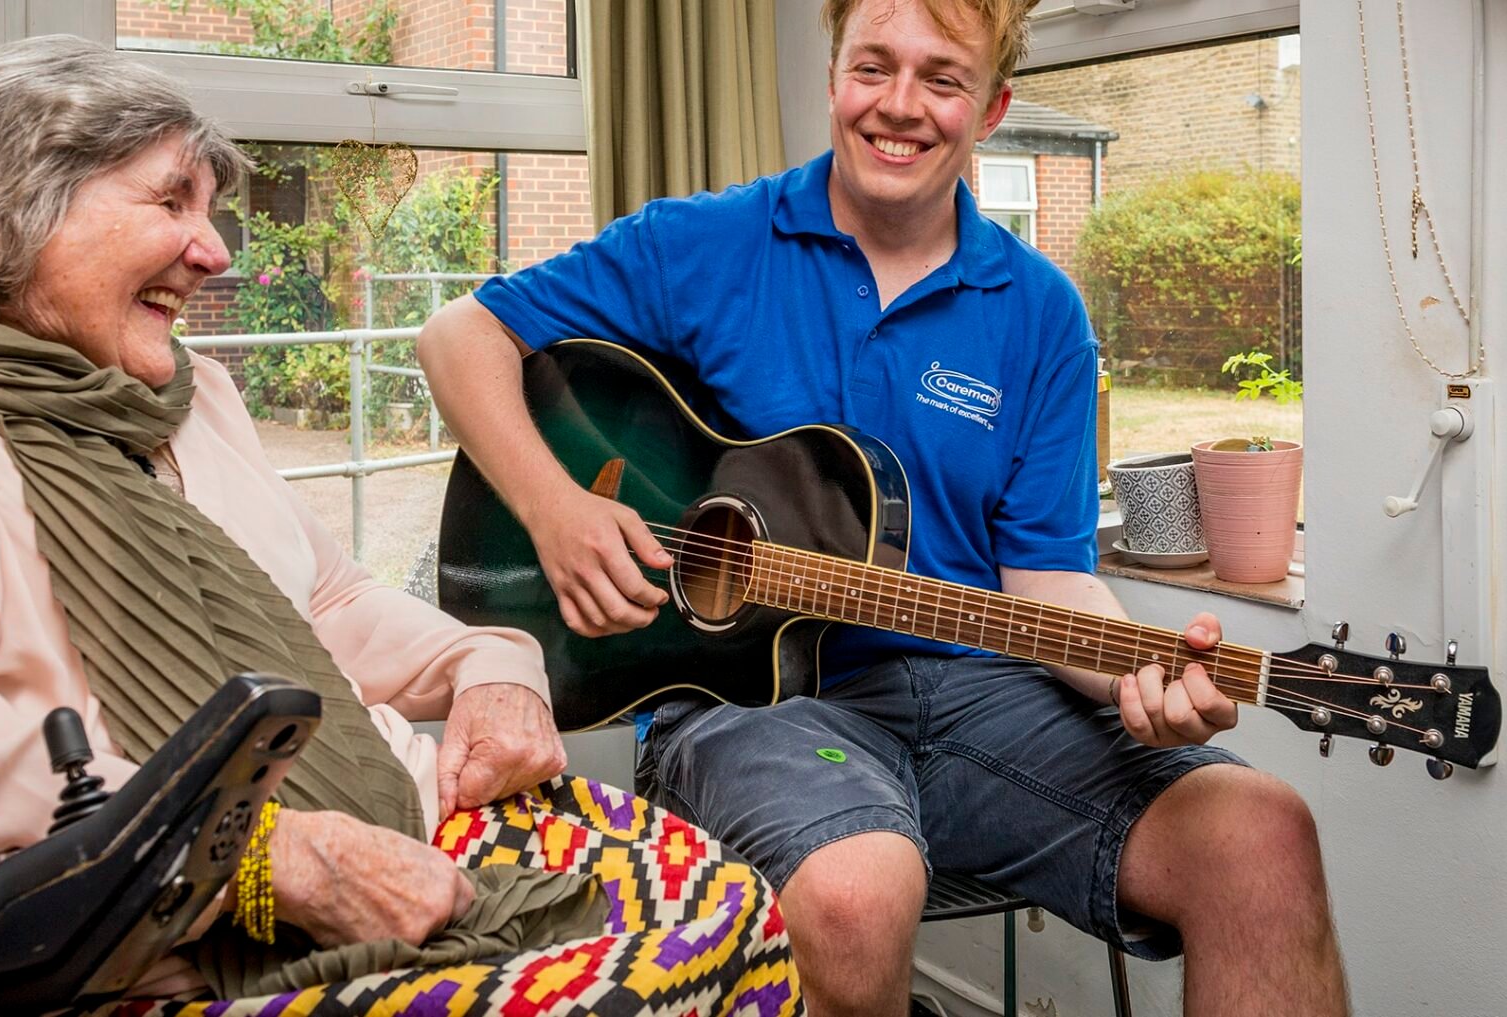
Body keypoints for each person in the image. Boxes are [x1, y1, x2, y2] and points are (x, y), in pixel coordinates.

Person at [0, 36, 795, 1015]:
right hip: (105, 940)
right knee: (680, 982)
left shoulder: (177, 396)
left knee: (733, 906)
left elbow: (319, 606)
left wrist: (496, 667)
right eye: (171, 200)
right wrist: (268, 860)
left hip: (364, 829)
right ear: (5, 208)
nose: (217, 251)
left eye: (211, 207)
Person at [415, 1, 1347, 1014]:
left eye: (941, 80)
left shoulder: (1041, 314)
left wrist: (1143, 674)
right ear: (833, 76)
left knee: (1261, 831)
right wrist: (557, 510)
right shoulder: (706, 243)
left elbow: (1046, 573)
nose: (899, 107)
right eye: (874, 68)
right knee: (860, 892)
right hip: (753, 708)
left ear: (989, 109)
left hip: (980, 695)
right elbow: (460, 338)